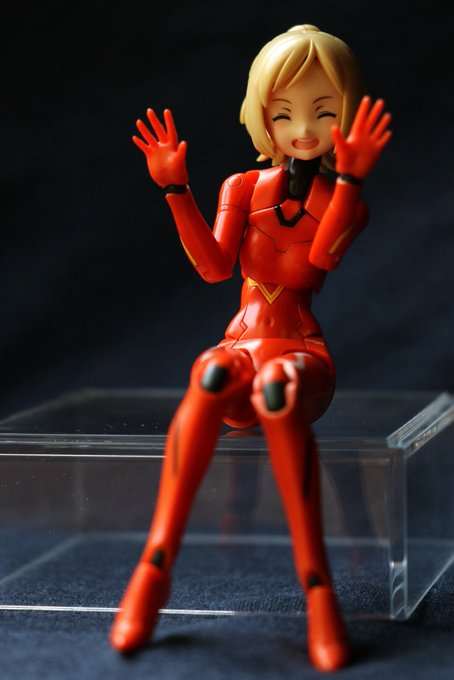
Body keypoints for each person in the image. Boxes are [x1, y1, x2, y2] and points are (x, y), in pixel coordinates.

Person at [110, 24, 391, 672]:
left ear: (347, 115)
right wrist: (176, 190)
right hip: (240, 340)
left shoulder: (345, 203)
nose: (303, 128)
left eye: (324, 112)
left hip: (301, 350)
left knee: (277, 390)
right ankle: (154, 567)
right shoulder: (240, 188)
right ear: (262, 115)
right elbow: (214, 268)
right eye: (284, 113)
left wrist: (350, 180)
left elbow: (322, 259)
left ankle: (318, 588)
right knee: (210, 372)